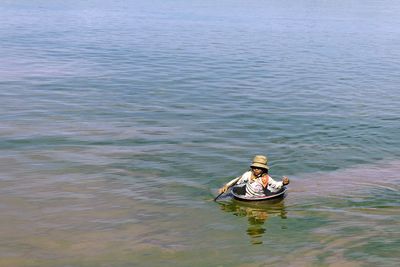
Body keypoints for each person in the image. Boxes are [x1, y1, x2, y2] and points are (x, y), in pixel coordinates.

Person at [218, 155, 290, 197]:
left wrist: (283, 183)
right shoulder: (248, 174)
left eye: (259, 168)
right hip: (248, 197)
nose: (256, 170)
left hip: (261, 196)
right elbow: (236, 181)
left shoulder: (266, 178)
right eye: (254, 168)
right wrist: (226, 186)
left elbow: (275, 185)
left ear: (263, 169)